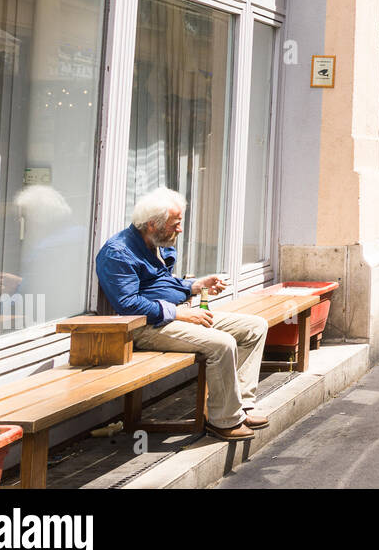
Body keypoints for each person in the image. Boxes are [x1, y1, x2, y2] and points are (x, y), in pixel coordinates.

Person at [95, 188, 269, 442]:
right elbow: (128, 305)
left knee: (255, 327)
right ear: (153, 224)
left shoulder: (158, 244)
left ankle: (240, 405)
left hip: (177, 315)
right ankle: (224, 421)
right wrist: (177, 314)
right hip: (145, 327)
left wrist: (195, 286)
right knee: (222, 344)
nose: (180, 229)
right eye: (175, 224)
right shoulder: (118, 253)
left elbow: (161, 283)